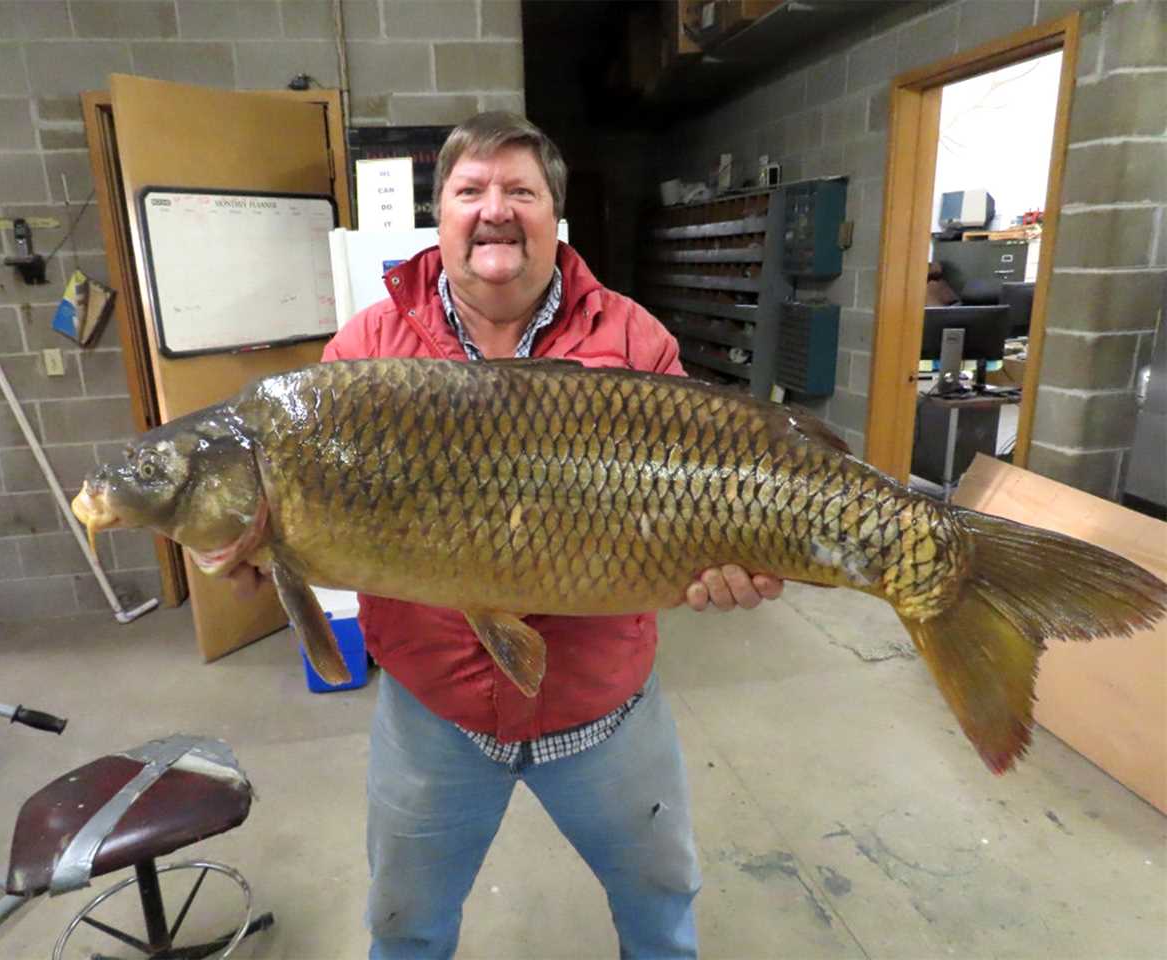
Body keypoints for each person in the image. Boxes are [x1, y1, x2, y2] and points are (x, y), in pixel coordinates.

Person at [242, 112, 783, 959]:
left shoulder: (634, 339)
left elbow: (712, 487)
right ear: (441, 216)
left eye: (520, 190)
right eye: (470, 190)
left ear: (554, 218)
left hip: (603, 708)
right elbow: (302, 522)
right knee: (403, 927)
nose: (495, 208)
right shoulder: (364, 352)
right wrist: (256, 552)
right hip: (435, 713)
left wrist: (728, 567)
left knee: (663, 910)